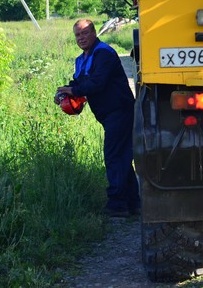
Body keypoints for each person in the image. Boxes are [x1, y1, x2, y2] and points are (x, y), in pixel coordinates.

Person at [55, 18, 140, 218]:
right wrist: (63, 94)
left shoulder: (104, 53)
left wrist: (73, 90)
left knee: (113, 156)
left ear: (94, 33)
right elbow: (79, 81)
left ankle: (117, 205)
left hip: (120, 111)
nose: (81, 38)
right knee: (121, 157)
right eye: (77, 35)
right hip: (109, 115)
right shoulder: (83, 58)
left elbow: (96, 83)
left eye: (84, 34)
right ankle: (133, 204)